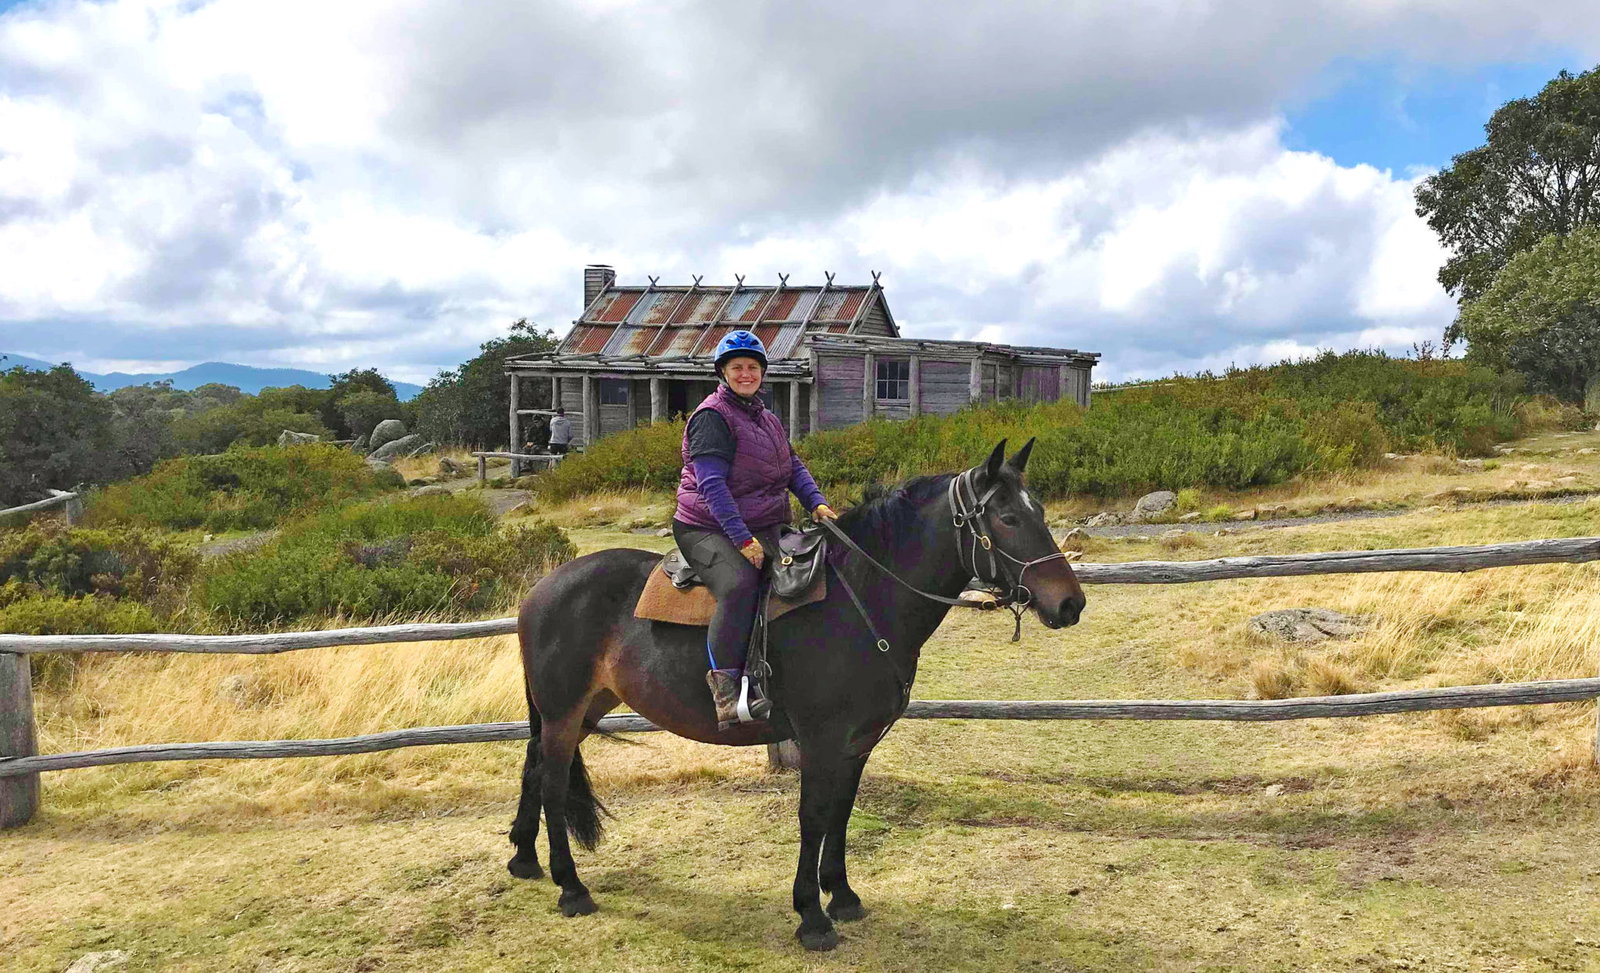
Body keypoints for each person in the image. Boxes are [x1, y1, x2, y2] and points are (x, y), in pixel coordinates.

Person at [672, 330, 837, 730]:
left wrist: (816, 502)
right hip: (706, 525)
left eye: (752, 367)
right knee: (740, 586)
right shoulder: (712, 417)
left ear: (762, 373)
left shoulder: (766, 418)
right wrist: (742, 540)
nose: (746, 374)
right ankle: (726, 690)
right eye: (737, 368)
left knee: (809, 569)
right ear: (723, 373)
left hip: (764, 520)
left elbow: (793, 466)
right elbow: (712, 486)